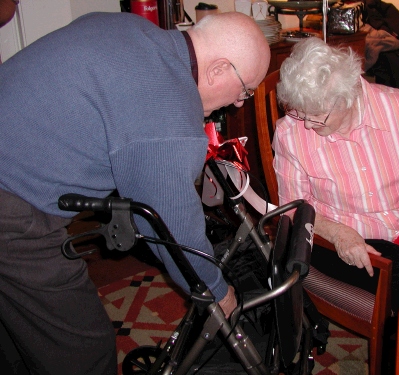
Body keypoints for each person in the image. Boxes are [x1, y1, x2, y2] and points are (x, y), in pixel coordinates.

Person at [0, 11, 270, 375]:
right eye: (245, 90)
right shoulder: (172, 118)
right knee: (82, 348)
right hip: (11, 201)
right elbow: (174, 233)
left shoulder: (129, 27)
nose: (240, 103)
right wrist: (221, 293)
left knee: (18, 323)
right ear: (218, 69)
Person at [273, 37, 399, 315]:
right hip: (343, 240)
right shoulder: (291, 133)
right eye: (299, 112)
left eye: (317, 114)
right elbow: (295, 209)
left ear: (348, 96)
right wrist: (338, 233)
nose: (307, 124)